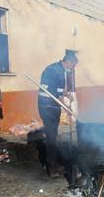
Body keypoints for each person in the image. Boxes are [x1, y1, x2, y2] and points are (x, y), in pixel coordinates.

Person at [38, 49, 78, 177]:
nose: (72, 69)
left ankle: (53, 164)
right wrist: (67, 108)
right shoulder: (56, 71)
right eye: (73, 66)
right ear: (68, 62)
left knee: (53, 136)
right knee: (51, 138)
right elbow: (54, 94)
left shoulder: (56, 69)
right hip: (48, 107)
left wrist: (67, 95)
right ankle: (51, 169)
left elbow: (58, 90)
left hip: (50, 106)